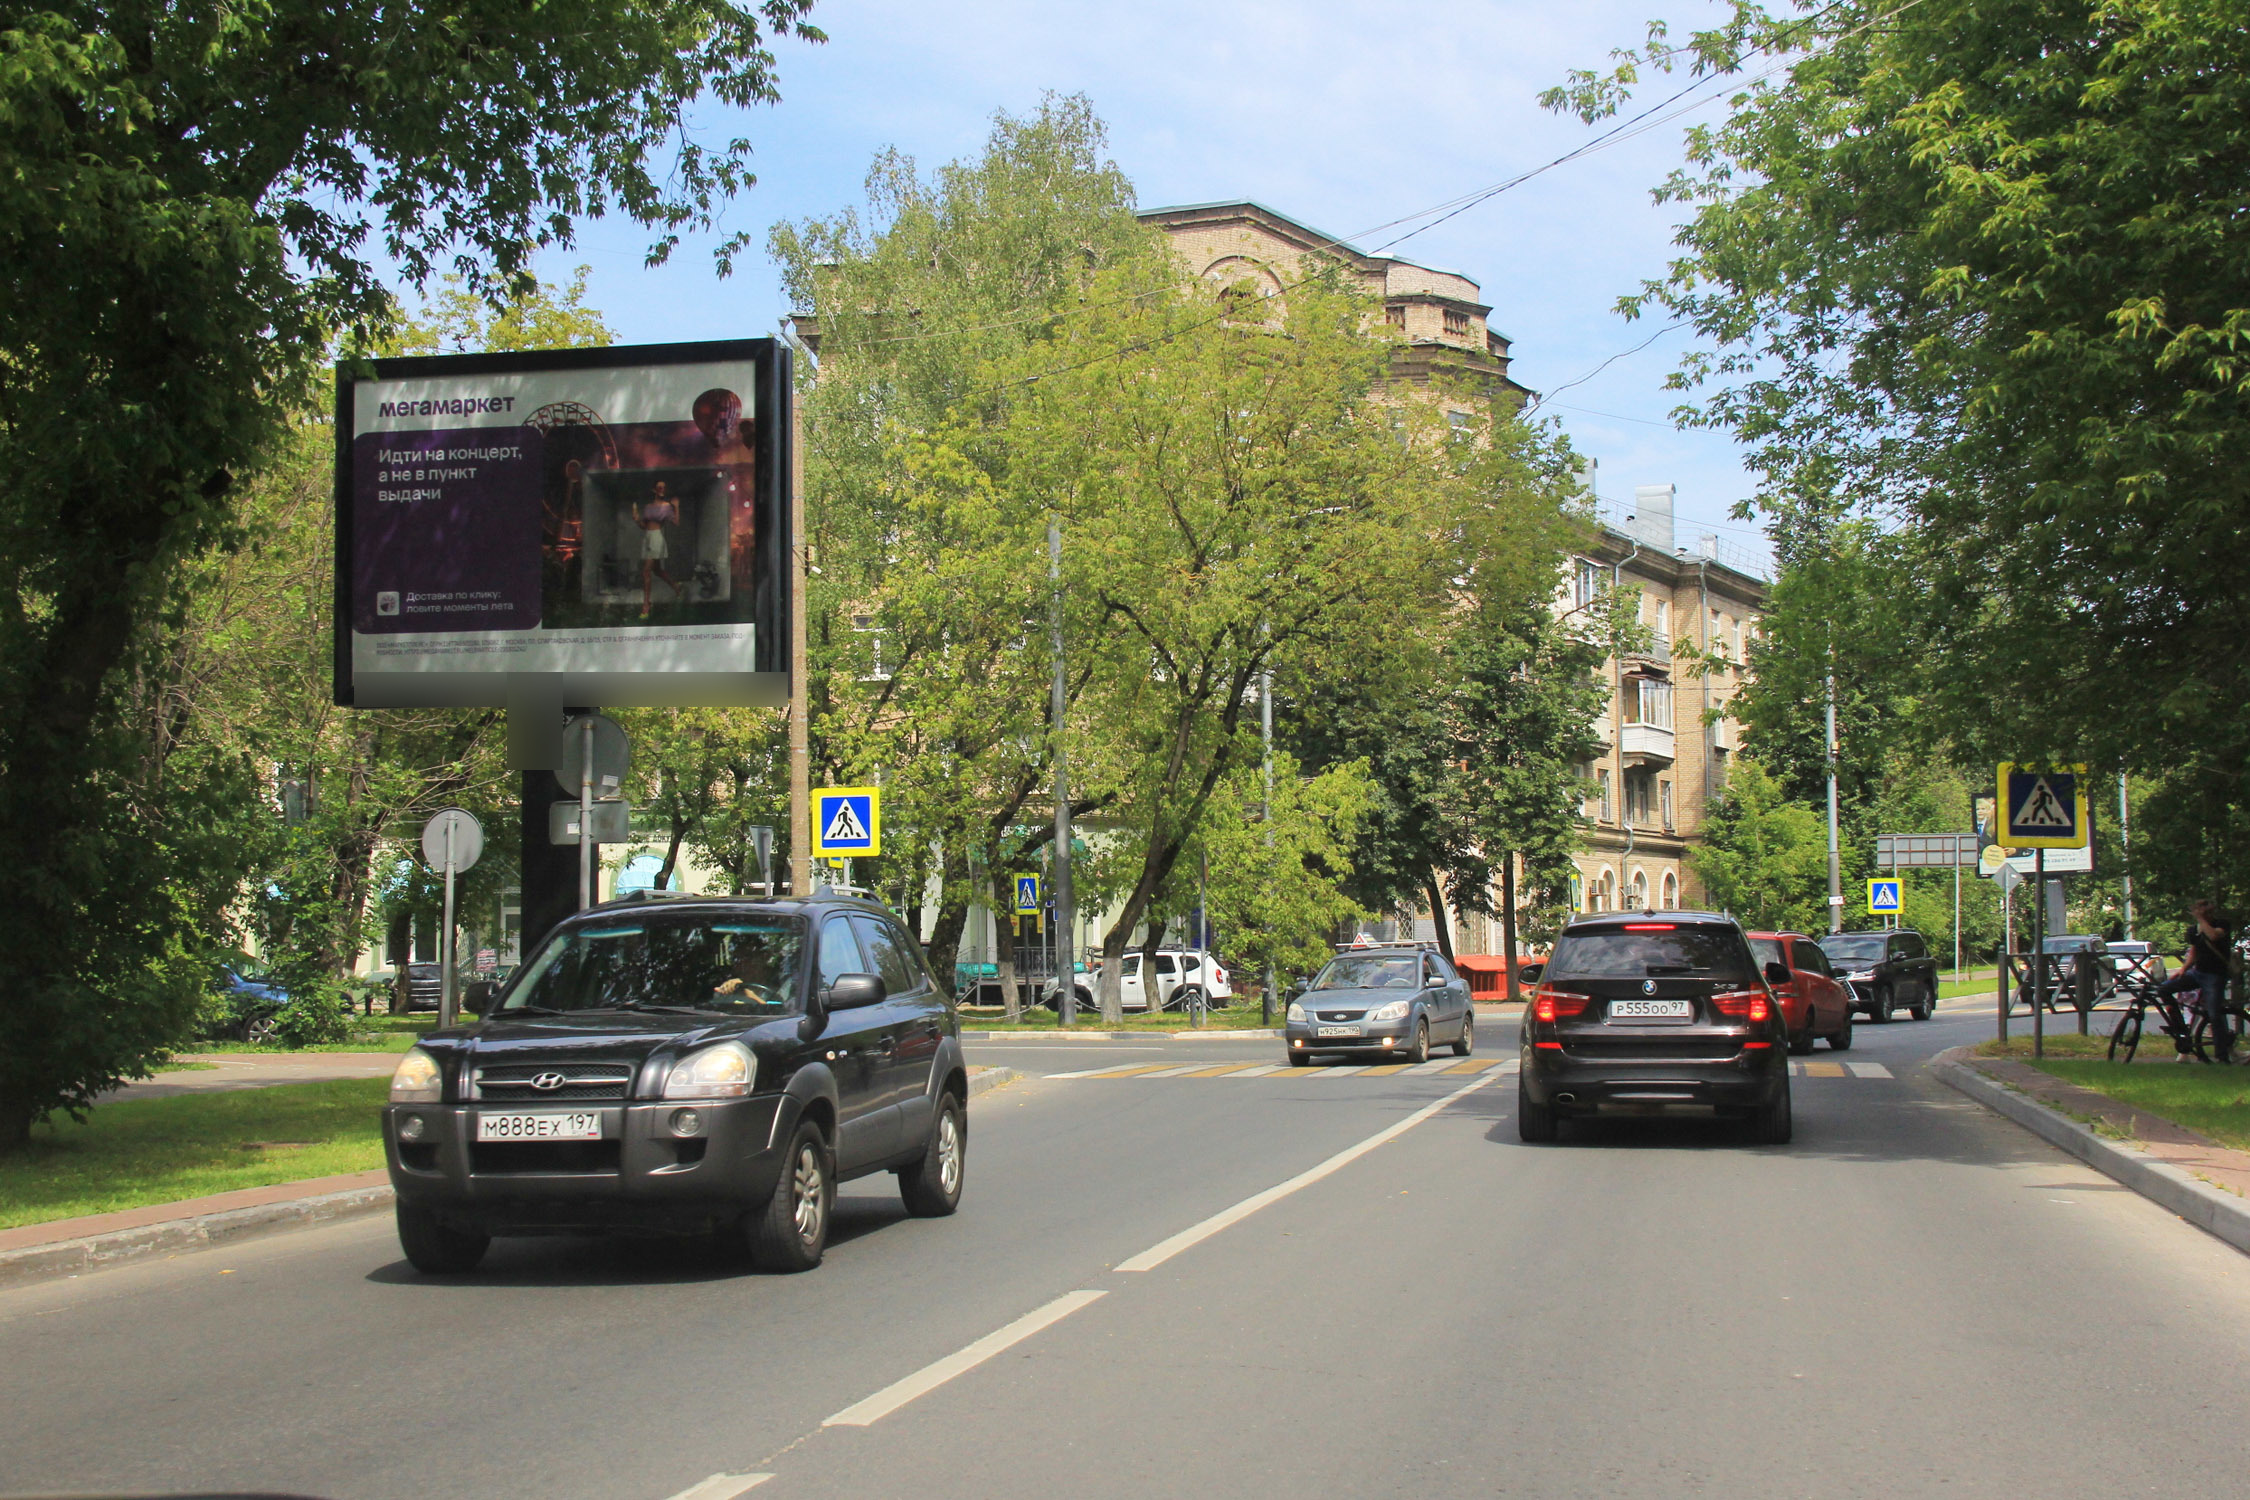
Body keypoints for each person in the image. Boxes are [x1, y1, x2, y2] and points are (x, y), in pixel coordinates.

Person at [2156, 900, 2234, 1062]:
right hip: (2198, 972)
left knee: (2214, 1014)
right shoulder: (2194, 930)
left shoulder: (2222, 924)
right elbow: (2194, 951)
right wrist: (2183, 970)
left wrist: (2202, 920)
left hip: (2215, 975)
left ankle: (2222, 1056)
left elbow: (2213, 936)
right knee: (2164, 989)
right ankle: (2180, 1029)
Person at [634, 482, 681, 617]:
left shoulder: (666, 506)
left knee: (646, 570)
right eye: (659, 487)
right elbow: (644, 526)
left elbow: (676, 522)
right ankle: (676, 587)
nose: (662, 489)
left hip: (656, 538)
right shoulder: (648, 507)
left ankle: (646, 605)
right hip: (647, 538)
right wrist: (637, 520)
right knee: (657, 570)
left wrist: (676, 507)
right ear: (654, 489)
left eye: (664, 487)